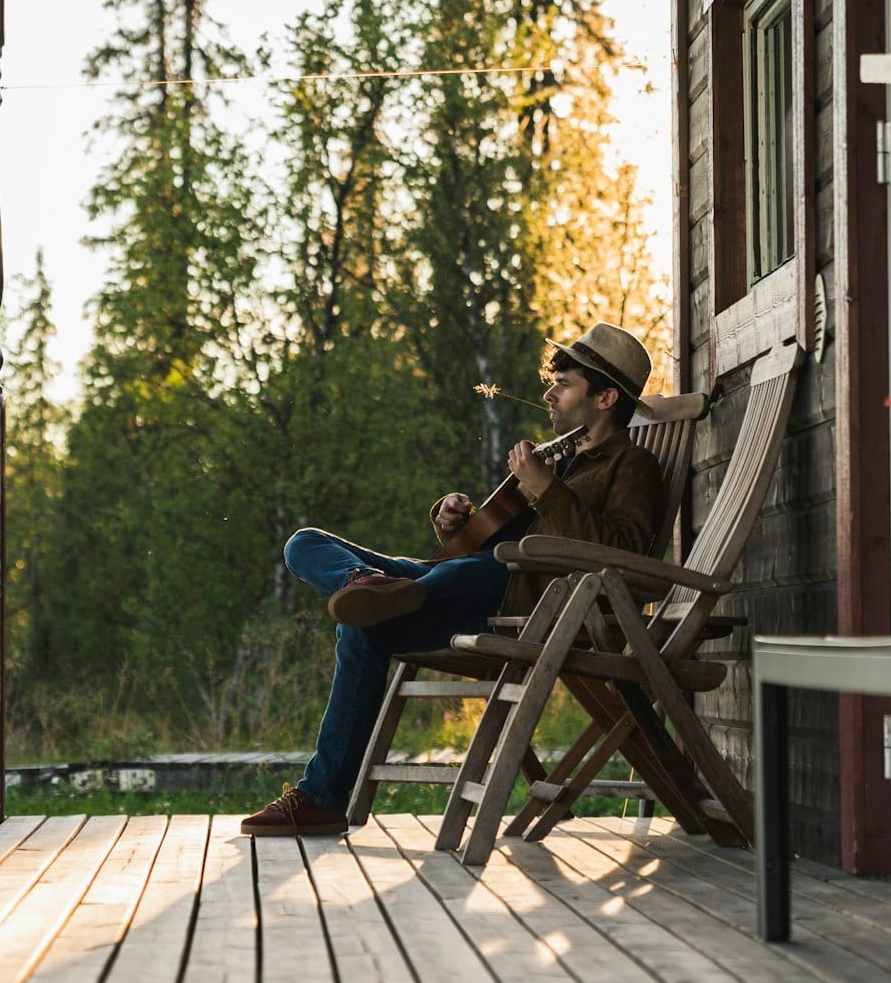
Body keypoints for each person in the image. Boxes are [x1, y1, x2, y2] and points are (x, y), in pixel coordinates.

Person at [241, 322, 667, 837]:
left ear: (605, 396)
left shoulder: (631, 464)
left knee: (368, 625)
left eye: (565, 384)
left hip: (527, 602)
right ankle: (362, 583)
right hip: (469, 576)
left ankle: (321, 797)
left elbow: (622, 553)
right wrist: (456, 520)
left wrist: (546, 491)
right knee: (304, 543)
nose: (548, 393)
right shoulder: (560, 460)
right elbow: (486, 542)